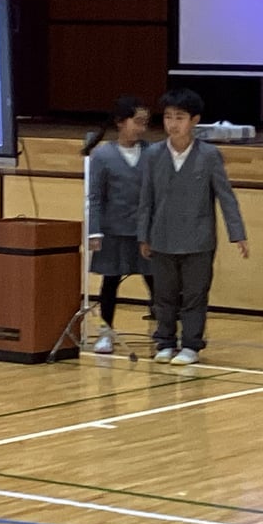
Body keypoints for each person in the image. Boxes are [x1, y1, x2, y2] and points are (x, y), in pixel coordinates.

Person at [137, 88, 249, 365]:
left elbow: (225, 196)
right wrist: (143, 236)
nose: (173, 124)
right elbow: (146, 199)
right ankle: (164, 342)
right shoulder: (153, 154)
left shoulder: (209, 155)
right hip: (162, 237)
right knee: (163, 295)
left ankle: (191, 345)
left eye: (180, 117)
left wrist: (237, 233)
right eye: (168, 117)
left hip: (198, 239)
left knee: (195, 295)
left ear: (194, 120)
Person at [86, 95, 154, 354]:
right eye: (137, 122)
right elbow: (95, 196)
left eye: (145, 123)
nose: (141, 128)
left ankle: (166, 332)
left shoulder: (152, 153)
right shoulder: (103, 155)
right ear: (121, 122)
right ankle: (105, 332)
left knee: (156, 281)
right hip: (113, 229)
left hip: (144, 231)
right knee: (110, 282)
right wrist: (94, 230)